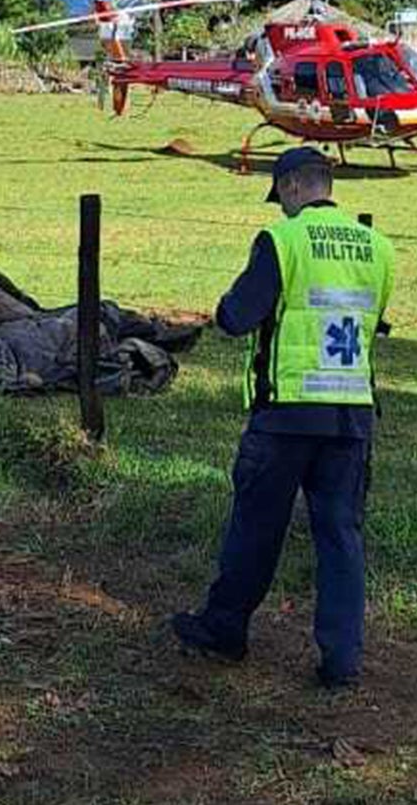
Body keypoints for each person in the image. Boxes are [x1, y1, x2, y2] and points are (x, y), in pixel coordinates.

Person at [170, 147, 394, 690]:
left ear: (293, 187)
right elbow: (375, 321)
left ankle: (225, 631)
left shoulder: (283, 240)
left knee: (256, 528)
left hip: (287, 413)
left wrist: (224, 306)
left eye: (281, 196)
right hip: (351, 415)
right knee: (341, 537)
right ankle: (342, 661)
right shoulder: (377, 247)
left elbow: (237, 317)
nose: (282, 207)